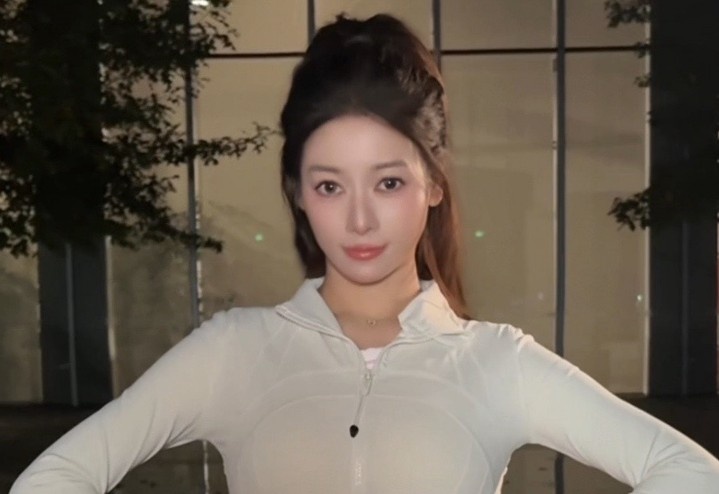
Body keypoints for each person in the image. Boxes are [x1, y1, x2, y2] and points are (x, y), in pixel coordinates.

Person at [10, 13, 719, 494]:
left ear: (433, 185)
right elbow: (53, 479)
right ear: (298, 193)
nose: (357, 218)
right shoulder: (233, 352)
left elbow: (689, 472)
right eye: (329, 185)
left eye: (387, 182)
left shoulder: (496, 363)